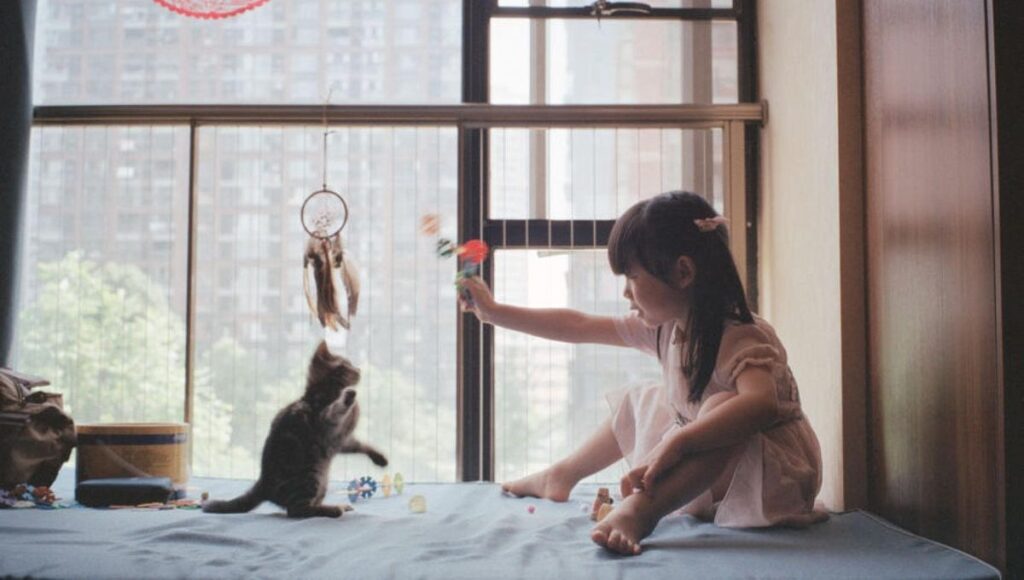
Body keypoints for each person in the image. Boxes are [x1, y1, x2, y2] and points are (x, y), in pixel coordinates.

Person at [458, 191, 826, 556]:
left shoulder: (742, 335)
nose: (626, 293)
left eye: (632, 277)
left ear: (683, 272)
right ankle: (562, 475)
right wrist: (495, 313)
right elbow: (580, 325)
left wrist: (680, 442)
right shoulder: (665, 328)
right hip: (715, 471)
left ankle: (642, 512)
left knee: (722, 405)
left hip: (772, 479)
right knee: (643, 398)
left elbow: (761, 404)